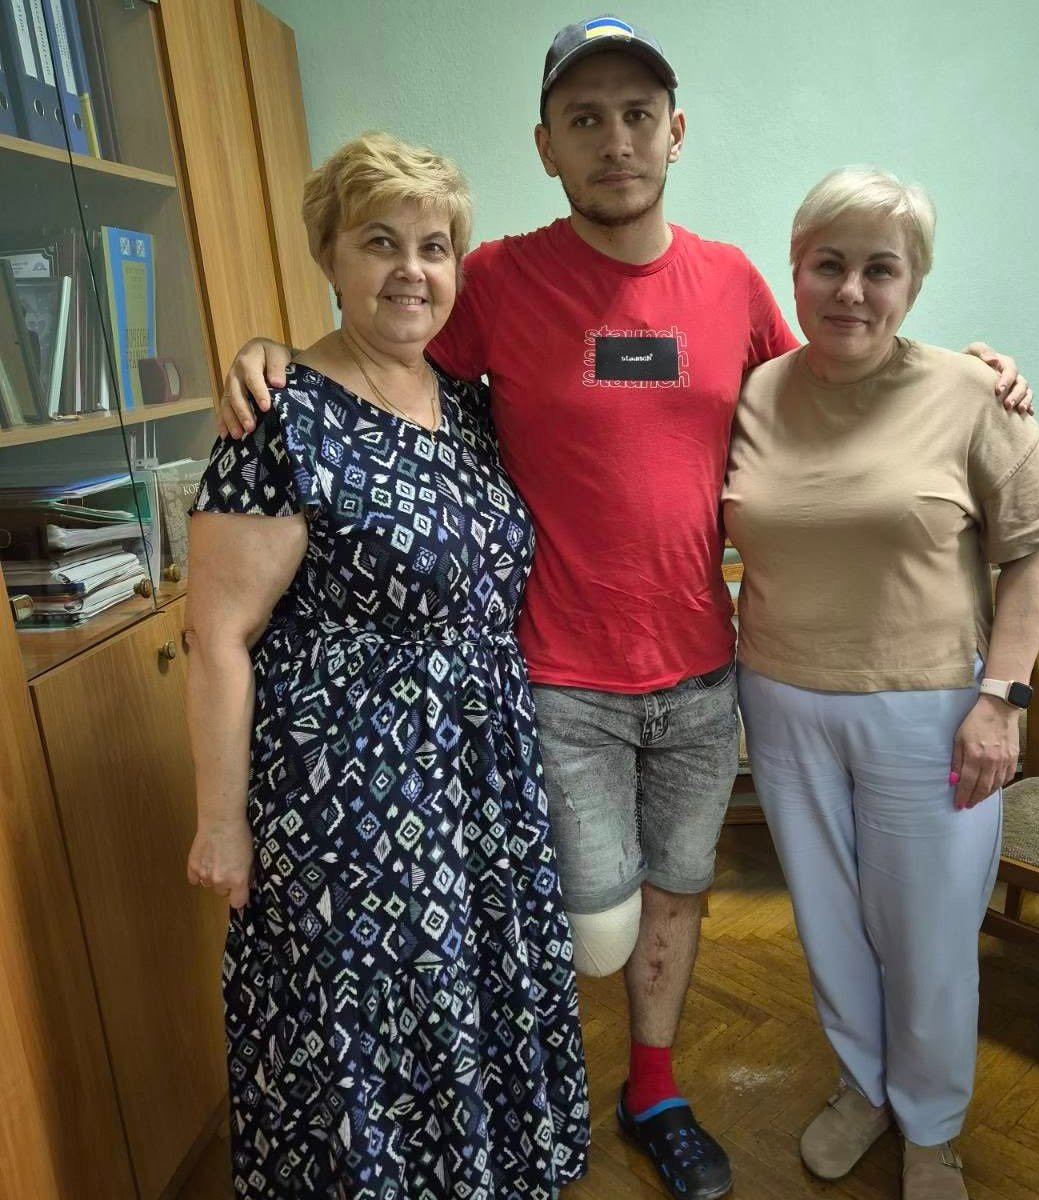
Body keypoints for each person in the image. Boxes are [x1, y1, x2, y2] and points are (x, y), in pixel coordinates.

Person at [211, 17, 1031, 1200]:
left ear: (675, 132)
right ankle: (536, 1078)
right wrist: (269, 355)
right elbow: (384, 354)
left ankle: (655, 1087)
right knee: (599, 925)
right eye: (584, 118)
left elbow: (841, 378)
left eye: (638, 116)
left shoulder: (734, 283)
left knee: (681, 892)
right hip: (556, 678)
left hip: (703, 671)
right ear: (545, 144)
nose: (615, 141)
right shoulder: (496, 281)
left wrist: (973, 373)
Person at [183, 132, 588, 1199]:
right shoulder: (281, 417)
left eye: (434, 246)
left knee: (466, 999)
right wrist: (221, 823)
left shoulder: (470, 407)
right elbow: (216, 635)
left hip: (479, 774)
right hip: (349, 793)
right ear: (329, 254)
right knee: (371, 1022)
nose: (412, 269)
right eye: (379, 242)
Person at [724, 166, 1039, 1200]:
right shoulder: (753, 393)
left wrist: (1000, 701)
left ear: (913, 284)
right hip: (780, 702)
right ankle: (863, 1089)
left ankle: (932, 1127)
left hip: (934, 712)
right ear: (795, 271)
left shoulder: (973, 393)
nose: (851, 290)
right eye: (828, 264)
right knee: (829, 923)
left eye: (880, 269)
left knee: (928, 939)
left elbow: (1032, 554)